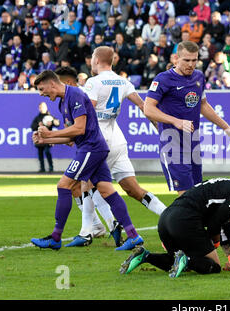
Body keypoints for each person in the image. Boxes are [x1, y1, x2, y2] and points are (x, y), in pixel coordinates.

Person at [63, 47, 167, 247]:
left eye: (92, 58)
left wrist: (72, 133)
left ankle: (88, 231)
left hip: (98, 140)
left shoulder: (93, 82)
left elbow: (88, 111)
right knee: (133, 189)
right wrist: (158, 128)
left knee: (85, 183)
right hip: (118, 140)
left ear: (96, 60)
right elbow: (144, 106)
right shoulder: (123, 81)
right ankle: (168, 214)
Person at [30, 70, 143, 251]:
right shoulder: (62, 104)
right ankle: (134, 236)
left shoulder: (74, 94)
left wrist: (51, 134)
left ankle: (55, 237)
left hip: (91, 147)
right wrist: (46, 140)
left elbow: (80, 128)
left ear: (52, 84)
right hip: (91, 147)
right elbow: (71, 137)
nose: (41, 93)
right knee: (107, 191)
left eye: (42, 89)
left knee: (64, 185)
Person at [119, 166, 230, 277]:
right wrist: (213, 244)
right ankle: (187, 259)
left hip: (166, 218)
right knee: (213, 266)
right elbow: (215, 224)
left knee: (179, 261)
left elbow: (225, 225)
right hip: (184, 220)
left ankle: (145, 256)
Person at [144, 41, 230, 196]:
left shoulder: (199, 76)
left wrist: (227, 128)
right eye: (186, 60)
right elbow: (148, 108)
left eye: (194, 60)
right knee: (187, 197)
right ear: (176, 59)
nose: (191, 64)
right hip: (172, 143)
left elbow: (203, 105)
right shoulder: (163, 79)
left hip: (193, 143)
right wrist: (176, 121)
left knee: (197, 195)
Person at [30, 102, 60, 173]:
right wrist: (39, 125)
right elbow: (32, 127)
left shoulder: (49, 117)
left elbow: (57, 123)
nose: (42, 109)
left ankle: (51, 167)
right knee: (40, 153)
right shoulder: (38, 118)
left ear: (46, 108)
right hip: (40, 138)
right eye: (40, 107)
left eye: (43, 107)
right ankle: (42, 168)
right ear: (39, 108)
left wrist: (52, 122)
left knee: (47, 152)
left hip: (48, 139)